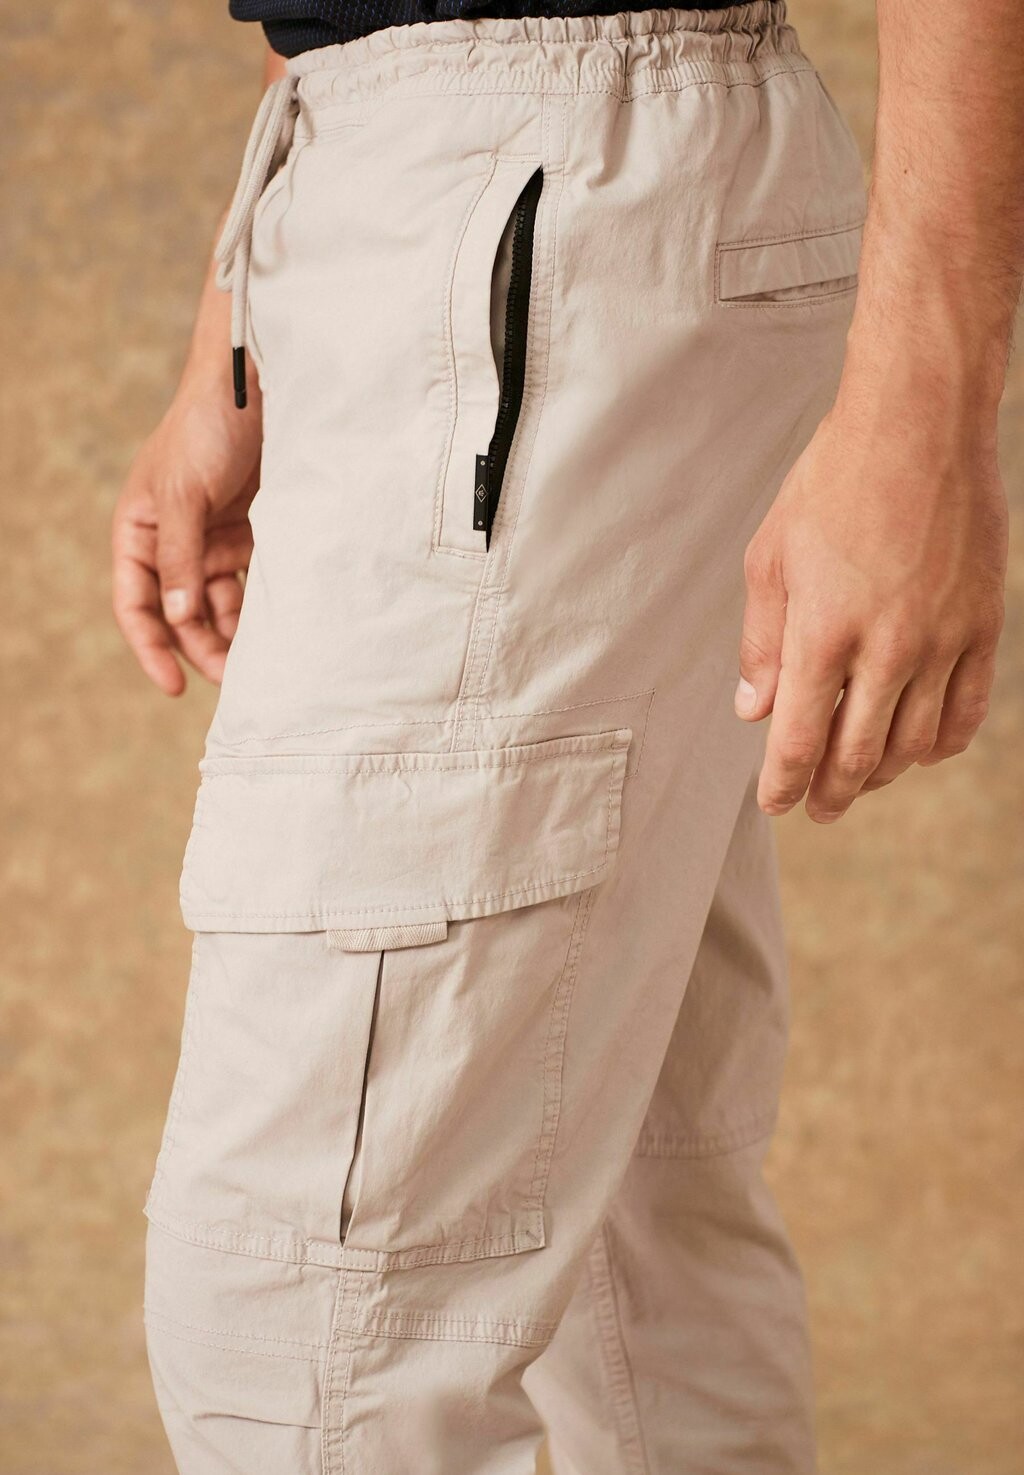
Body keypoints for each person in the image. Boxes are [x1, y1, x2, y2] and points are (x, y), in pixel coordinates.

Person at [112, 0, 1019, 1470]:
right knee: (627, 1267)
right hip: (445, 190)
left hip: (539, 208)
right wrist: (240, 333)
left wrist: (932, 399)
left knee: (311, 1342)